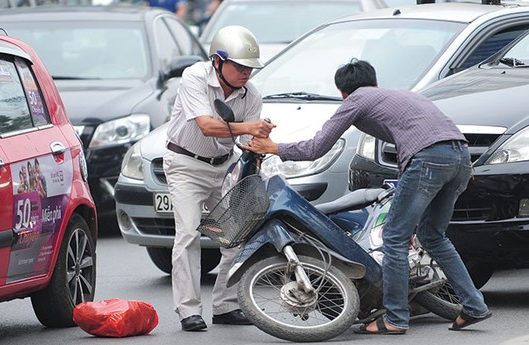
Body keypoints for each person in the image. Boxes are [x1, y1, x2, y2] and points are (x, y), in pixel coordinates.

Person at [244, 59, 491, 334]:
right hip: (461, 159)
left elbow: (317, 147)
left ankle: (395, 318)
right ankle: (473, 305)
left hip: (428, 160)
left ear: (343, 92)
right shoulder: (401, 95)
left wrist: (273, 147)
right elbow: (416, 149)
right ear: (375, 81)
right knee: (433, 236)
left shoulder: (356, 100)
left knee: (394, 238)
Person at [163, 25, 275, 332]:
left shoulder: (251, 94)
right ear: (217, 61)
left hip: (224, 166)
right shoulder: (194, 77)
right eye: (239, 66)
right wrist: (249, 128)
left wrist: (259, 142)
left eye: (249, 68)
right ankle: (188, 311)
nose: (245, 73)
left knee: (235, 237)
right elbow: (206, 126)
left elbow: (244, 141)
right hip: (186, 164)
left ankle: (225, 306)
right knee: (188, 234)